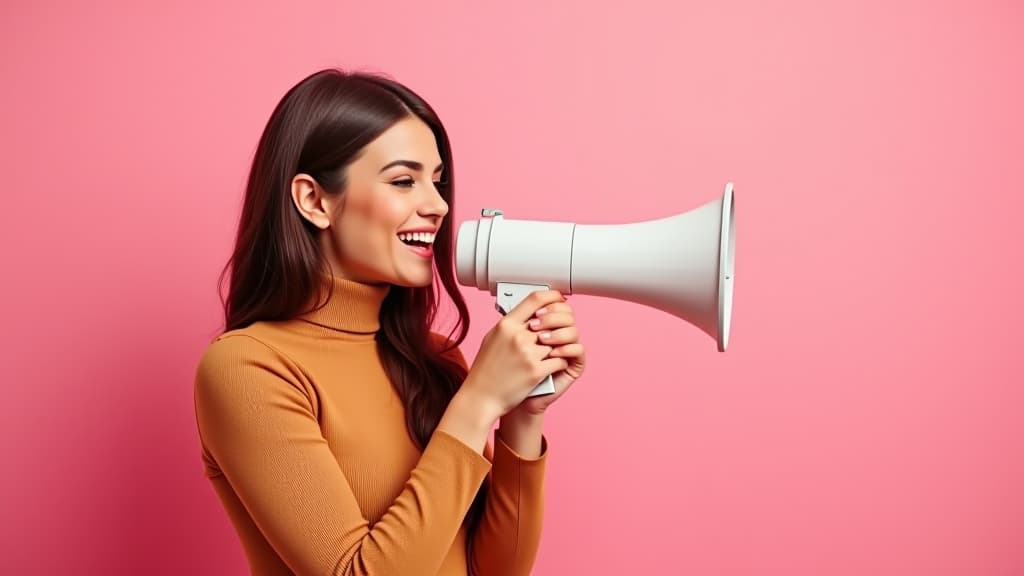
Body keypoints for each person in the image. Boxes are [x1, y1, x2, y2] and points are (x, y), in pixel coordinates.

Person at [193, 68, 586, 576]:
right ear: (315, 201)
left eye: (438, 181)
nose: (439, 205)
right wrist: (480, 401)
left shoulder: (434, 358)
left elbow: (495, 571)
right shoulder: (247, 367)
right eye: (404, 181)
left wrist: (521, 415)